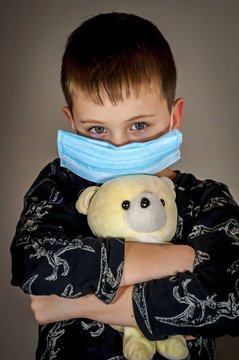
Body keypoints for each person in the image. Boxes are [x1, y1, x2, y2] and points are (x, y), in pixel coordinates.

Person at [11, 12, 239, 360]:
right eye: (97, 129)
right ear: (72, 123)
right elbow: (34, 262)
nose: (119, 147)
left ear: (174, 117)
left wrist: (69, 304)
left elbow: (229, 298)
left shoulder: (205, 200)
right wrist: (181, 257)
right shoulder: (62, 186)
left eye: (139, 125)